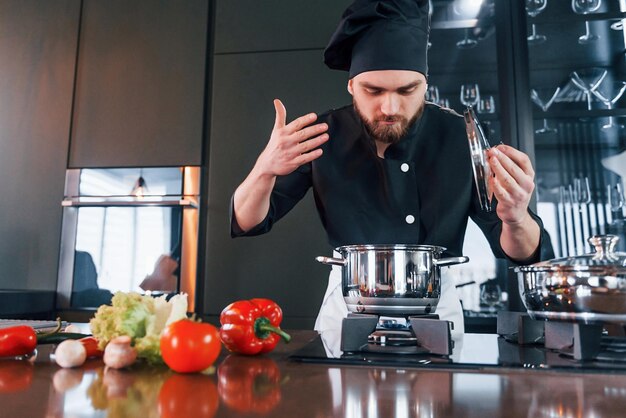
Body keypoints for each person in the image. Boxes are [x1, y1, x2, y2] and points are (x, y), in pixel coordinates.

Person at [230, 0, 554, 335]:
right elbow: (248, 221)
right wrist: (264, 169)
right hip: (347, 307)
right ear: (352, 85)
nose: (390, 107)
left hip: (436, 310)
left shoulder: (459, 137)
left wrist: (516, 217)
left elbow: (520, 252)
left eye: (406, 90)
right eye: (373, 90)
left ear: (425, 85)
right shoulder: (322, 135)